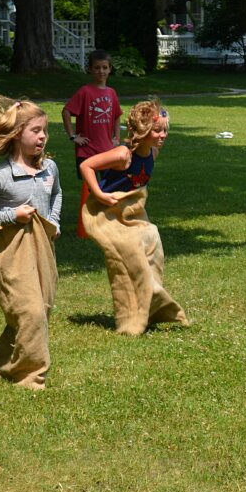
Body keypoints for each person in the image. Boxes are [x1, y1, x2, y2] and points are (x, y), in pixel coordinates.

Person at [0, 84, 62, 390]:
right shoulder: (2, 176)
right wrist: (11, 215)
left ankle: (0, 363)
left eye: (44, 130)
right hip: (13, 255)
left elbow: (57, 195)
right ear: (18, 134)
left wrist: (55, 221)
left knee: (39, 311)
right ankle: (30, 376)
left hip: (43, 251)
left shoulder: (49, 169)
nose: (42, 137)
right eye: (35, 131)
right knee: (29, 312)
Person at [79, 99, 188, 335]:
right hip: (106, 213)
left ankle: (151, 305)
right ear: (143, 130)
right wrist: (98, 193)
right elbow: (87, 165)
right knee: (131, 255)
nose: (163, 135)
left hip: (131, 210)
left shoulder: (152, 153)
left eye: (165, 130)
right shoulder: (123, 154)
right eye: (157, 130)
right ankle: (132, 319)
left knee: (153, 240)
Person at [61, 49, 122, 238]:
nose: (101, 72)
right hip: (87, 150)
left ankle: (107, 222)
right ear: (90, 70)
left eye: (104, 68)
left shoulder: (111, 93)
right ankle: (87, 226)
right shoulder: (85, 92)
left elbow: (117, 116)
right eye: (97, 68)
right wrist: (73, 136)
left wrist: (116, 138)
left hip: (106, 150)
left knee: (108, 186)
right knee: (89, 189)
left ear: (110, 69)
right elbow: (66, 112)